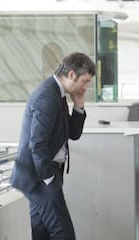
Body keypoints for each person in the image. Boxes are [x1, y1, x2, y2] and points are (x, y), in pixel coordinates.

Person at [10, 52, 96, 240]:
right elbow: (37, 143)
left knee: (42, 232)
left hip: (43, 175)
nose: (86, 87)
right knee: (63, 233)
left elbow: (73, 134)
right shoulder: (47, 96)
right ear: (72, 74)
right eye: (85, 81)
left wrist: (79, 106)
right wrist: (49, 178)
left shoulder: (58, 94)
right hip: (39, 178)